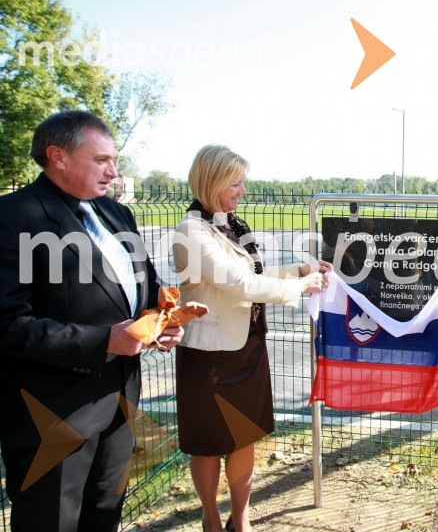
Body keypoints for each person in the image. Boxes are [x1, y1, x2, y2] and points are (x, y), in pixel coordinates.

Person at [0, 110, 184, 532]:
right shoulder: (13, 218)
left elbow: (147, 287)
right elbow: (7, 325)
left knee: (104, 515)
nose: (114, 172)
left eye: (114, 160)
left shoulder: (118, 215)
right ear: (57, 156)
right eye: (101, 160)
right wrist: (103, 340)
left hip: (120, 404)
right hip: (52, 416)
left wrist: (159, 321)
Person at [172, 145, 329, 532]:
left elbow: (255, 273)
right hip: (208, 355)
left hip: (247, 348)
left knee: (244, 438)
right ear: (214, 182)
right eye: (236, 183)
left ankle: (239, 517)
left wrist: (299, 269)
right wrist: (304, 286)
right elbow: (240, 284)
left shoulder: (232, 227)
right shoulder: (191, 231)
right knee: (207, 444)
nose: (243, 190)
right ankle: (211, 517)